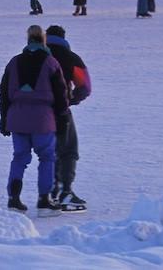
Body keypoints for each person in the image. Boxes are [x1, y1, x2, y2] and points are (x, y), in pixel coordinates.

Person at [0, 25, 69, 217]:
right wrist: (62, 117)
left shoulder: (14, 62)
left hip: (17, 117)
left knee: (19, 157)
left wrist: (4, 118)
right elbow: (61, 94)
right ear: (43, 40)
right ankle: (44, 200)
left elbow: (3, 92)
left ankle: (13, 199)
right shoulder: (51, 63)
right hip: (42, 119)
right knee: (46, 157)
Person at [44, 25, 92, 212]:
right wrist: (71, 100)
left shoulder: (34, 56)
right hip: (60, 111)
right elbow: (85, 86)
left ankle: (50, 192)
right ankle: (65, 191)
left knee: (48, 151)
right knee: (68, 149)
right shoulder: (71, 58)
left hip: (35, 112)